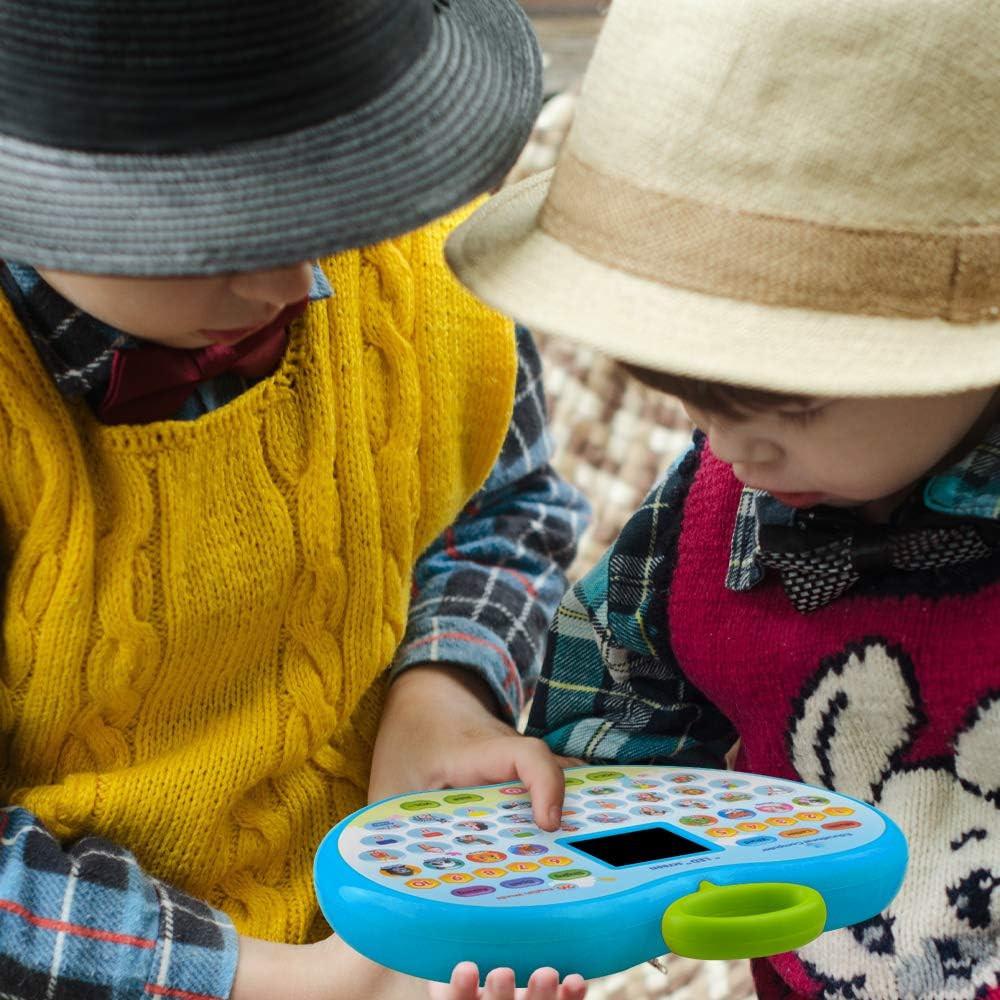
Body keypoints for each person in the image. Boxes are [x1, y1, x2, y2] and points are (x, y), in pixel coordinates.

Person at [0, 1, 590, 997]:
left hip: (376, 924)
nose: (300, 276)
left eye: (335, 201)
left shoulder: (420, 271)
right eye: (220, 234)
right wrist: (289, 982)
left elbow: (501, 507)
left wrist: (442, 692)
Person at [444, 1, 1000, 997]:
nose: (734, 447)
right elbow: (619, 731)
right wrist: (607, 889)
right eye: (694, 398)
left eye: (783, 402)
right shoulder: (699, 521)